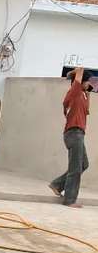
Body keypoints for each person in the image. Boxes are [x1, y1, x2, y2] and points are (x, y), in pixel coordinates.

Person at [49, 67, 92, 207]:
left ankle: (57, 184)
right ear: (80, 82)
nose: (89, 84)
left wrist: (88, 91)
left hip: (79, 134)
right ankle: (69, 200)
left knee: (83, 164)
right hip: (73, 133)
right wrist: (75, 73)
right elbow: (79, 73)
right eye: (87, 81)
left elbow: (86, 109)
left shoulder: (83, 96)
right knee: (75, 168)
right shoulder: (73, 93)